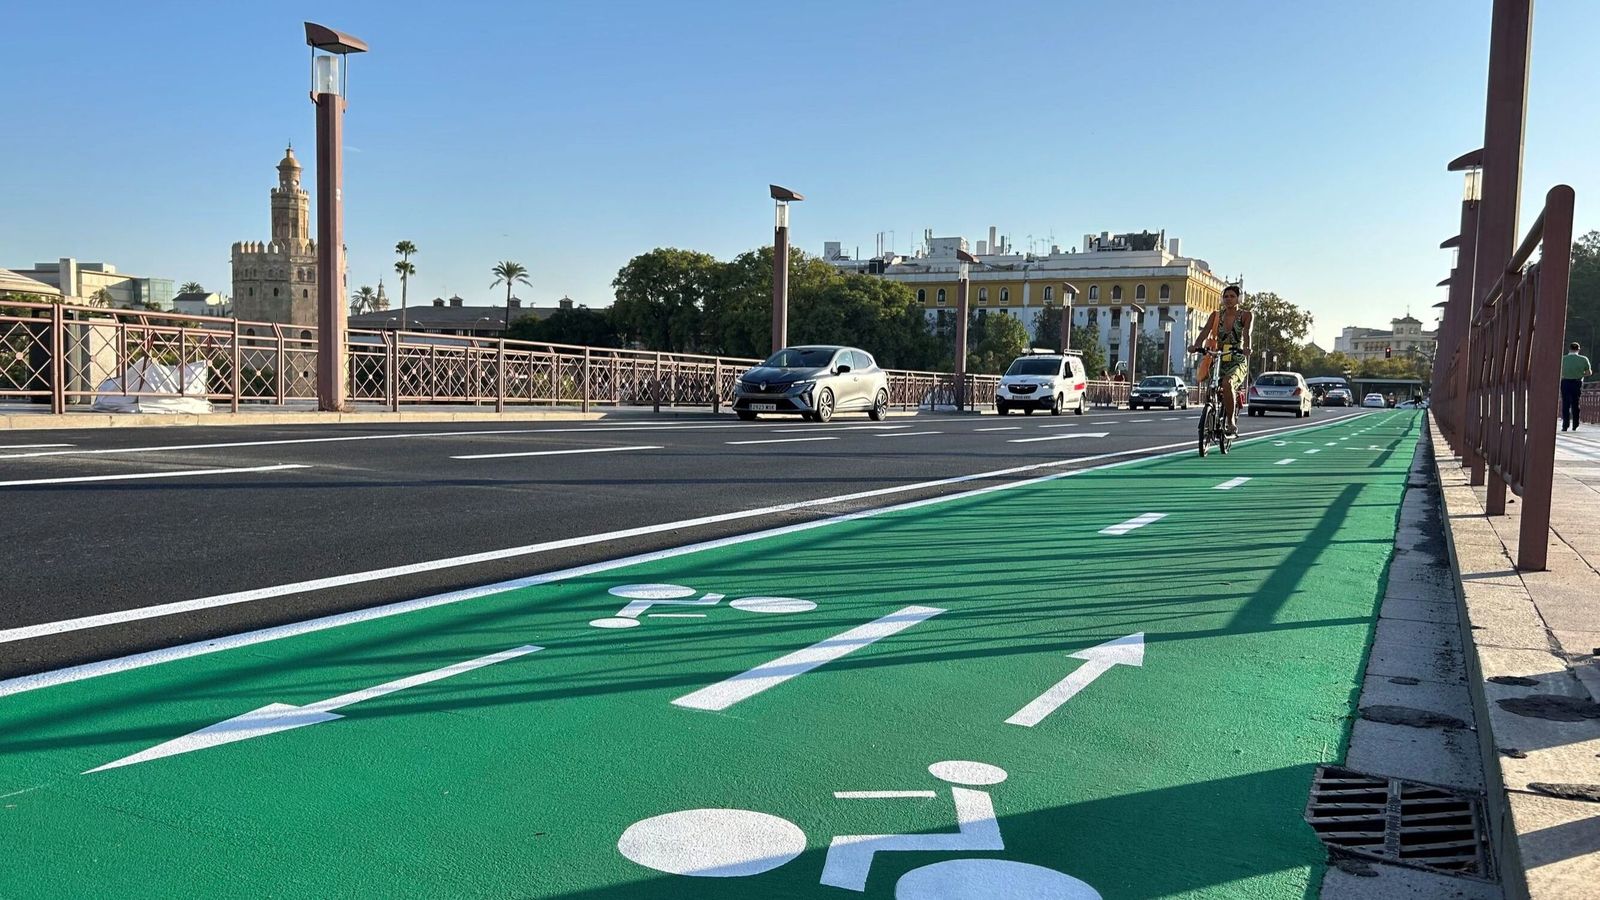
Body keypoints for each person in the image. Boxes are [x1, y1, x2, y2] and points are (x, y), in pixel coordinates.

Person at [1190, 284, 1252, 434]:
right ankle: (1212, 411)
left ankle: (1230, 421)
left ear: (1239, 299)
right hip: (1218, 356)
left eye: (1232, 296)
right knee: (1212, 386)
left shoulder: (1245, 315)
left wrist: (1246, 348)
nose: (1228, 299)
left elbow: (1246, 333)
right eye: (1226, 296)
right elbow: (1205, 331)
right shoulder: (1216, 315)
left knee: (1227, 383)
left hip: (1236, 356)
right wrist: (1196, 345)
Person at [1561, 341, 1592, 431]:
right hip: (1577, 382)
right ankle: (1575, 424)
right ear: (1578, 349)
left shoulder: (1563, 359)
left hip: (1565, 382)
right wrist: (1580, 374)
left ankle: (1565, 425)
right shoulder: (1583, 359)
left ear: (1569, 349)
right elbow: (1589, 372)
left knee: (1565, 404)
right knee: (1575, 403)